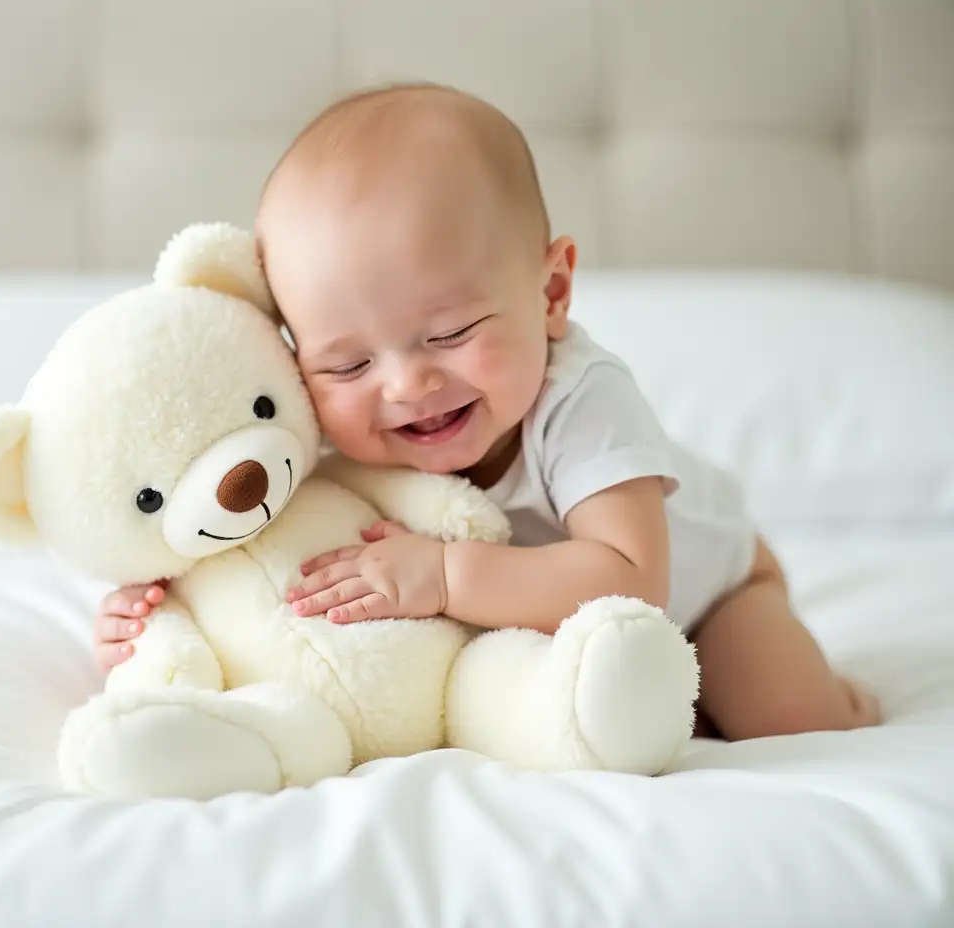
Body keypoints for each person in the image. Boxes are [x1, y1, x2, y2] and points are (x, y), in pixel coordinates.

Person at [94, 83, 879, 741]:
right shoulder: (331, 429)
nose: (405, 385)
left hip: (708, 596)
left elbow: (633, 579)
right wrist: (148, 608)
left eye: (450, 333)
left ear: (550, 294)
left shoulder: (582, 398)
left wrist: (441, 574)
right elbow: (245, 536)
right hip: (553, 639)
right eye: (348, 362)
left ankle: (849, 696)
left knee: (782, 717)